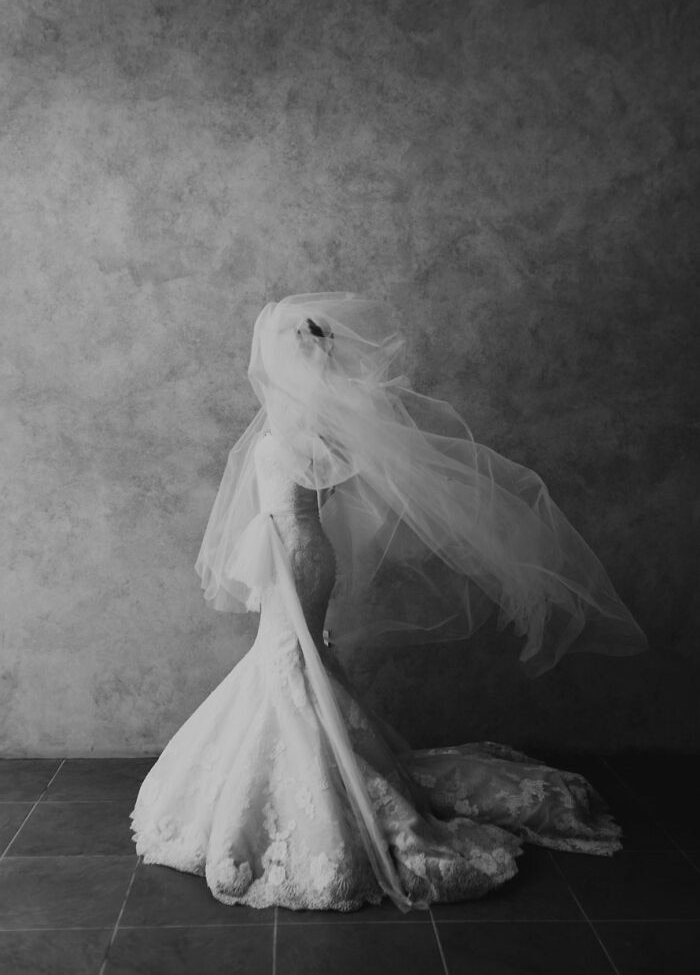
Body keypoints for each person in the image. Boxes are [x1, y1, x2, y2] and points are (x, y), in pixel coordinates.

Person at [129, 292, 648, 911]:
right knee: (290, 662)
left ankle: (323, 790)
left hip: (301, 554)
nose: (284, 361)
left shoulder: (317, 428)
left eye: (296, 350)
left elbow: (336, 484)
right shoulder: (287, 420)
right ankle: (298, 776)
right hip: (281, 552)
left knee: (291, 662)